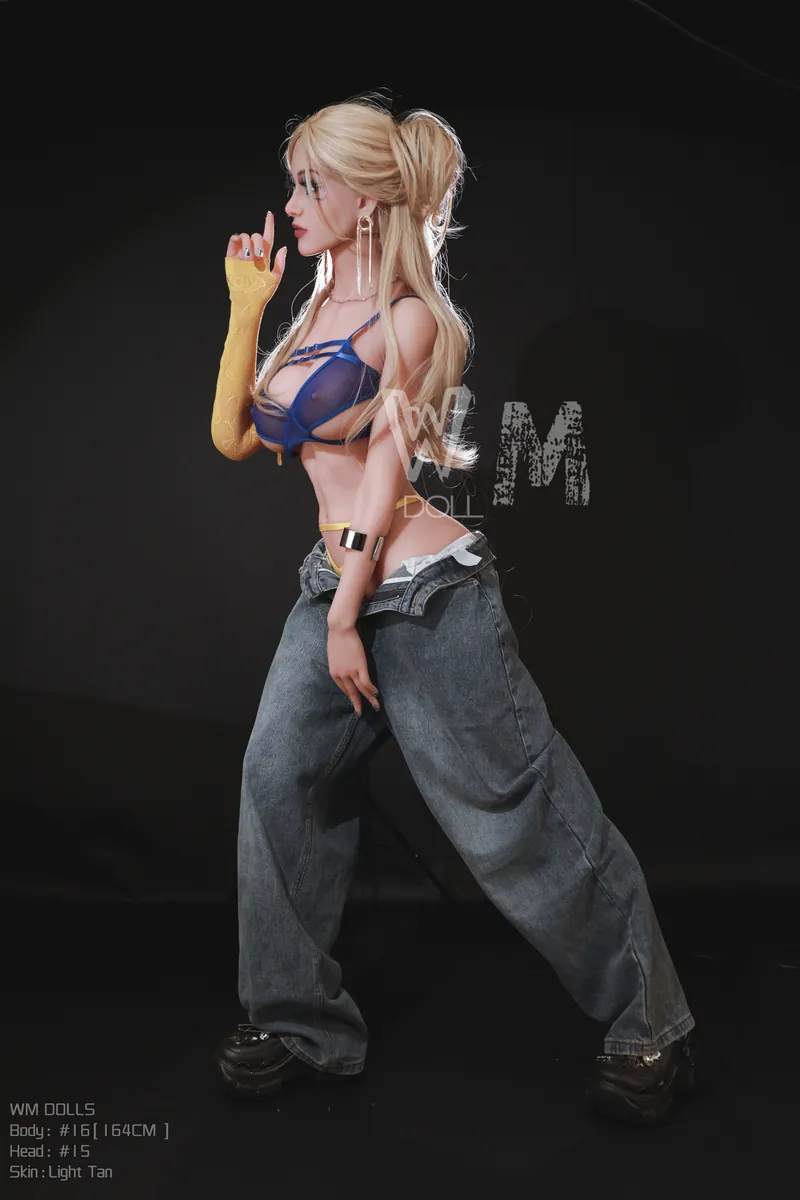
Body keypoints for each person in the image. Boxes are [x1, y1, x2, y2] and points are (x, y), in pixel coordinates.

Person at [209, 95, 696, 1126]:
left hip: (423, 599)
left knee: (510, 819)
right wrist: (248, 307)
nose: (292, 203)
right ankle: (297, 1021)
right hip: (334, 585)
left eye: (311, 185)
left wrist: (346, 616)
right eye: (293, 182)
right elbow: (234, 438)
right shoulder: (308, 316)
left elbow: (384, 483)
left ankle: (649, 1025)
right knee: (278, 776)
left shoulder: (413, 322)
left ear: (366, 201)